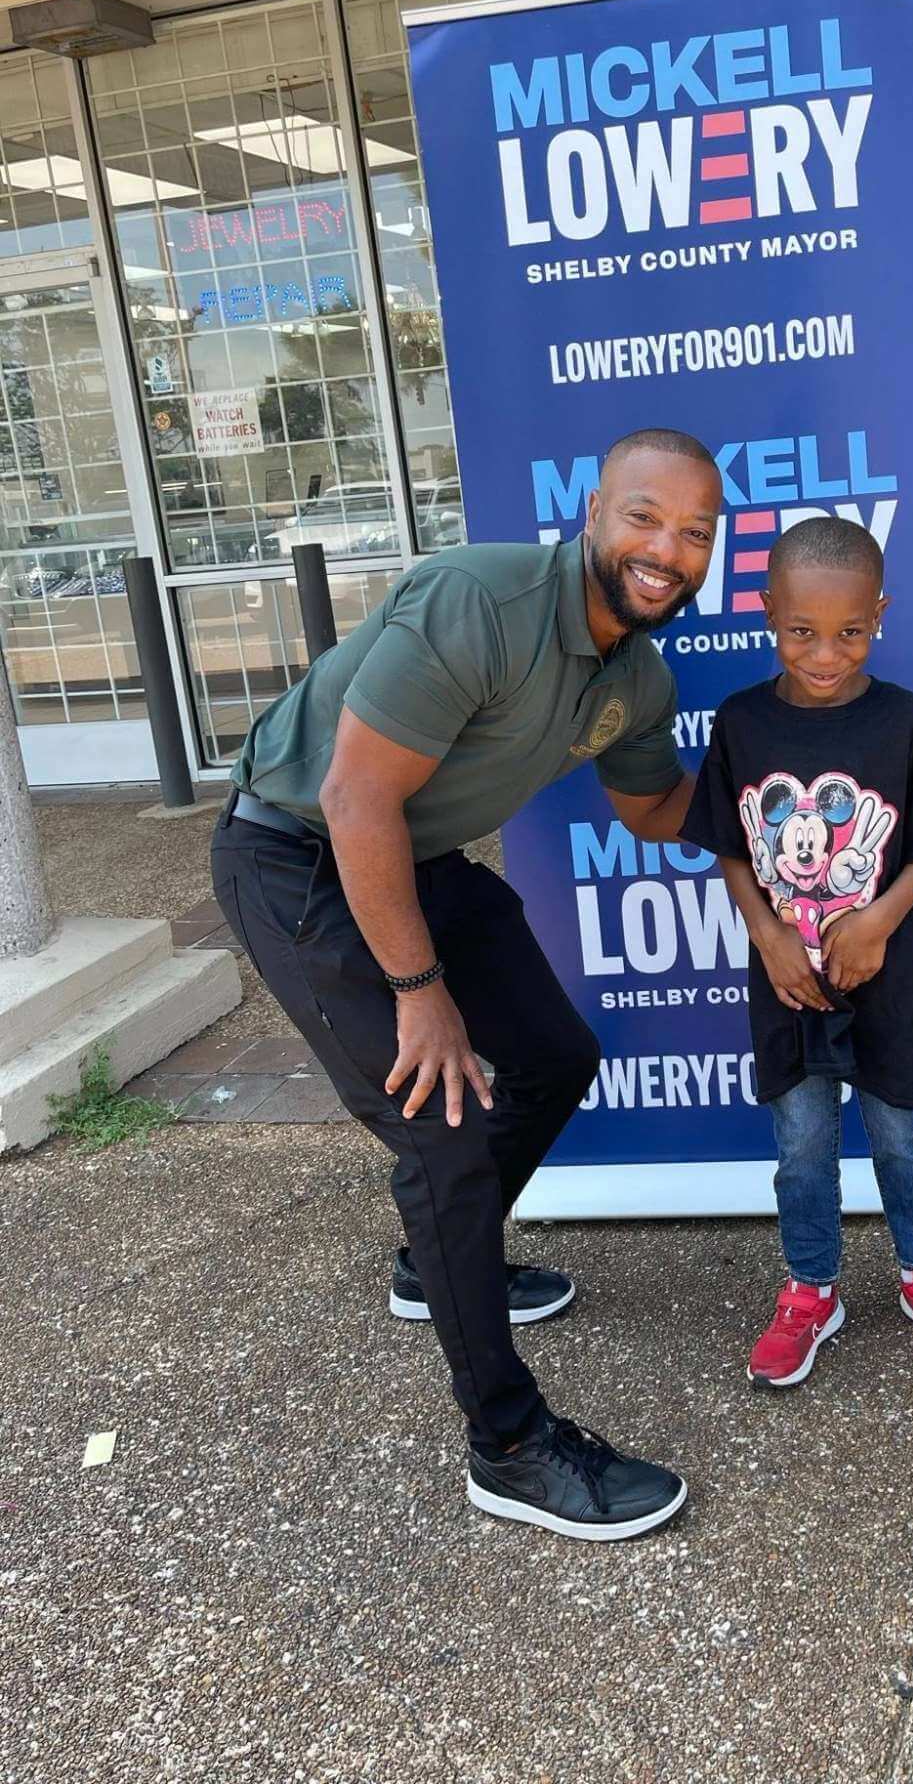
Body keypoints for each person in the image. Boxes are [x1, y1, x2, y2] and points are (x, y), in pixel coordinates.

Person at [210, 428, 723, 1541]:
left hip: (411, 855)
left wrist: (774, 812)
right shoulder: (478, 602)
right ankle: (509, 1447)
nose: (666, 550)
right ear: (594, 512)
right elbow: (353, 798)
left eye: (694, 532)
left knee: (556, 1055)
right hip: (296, 854)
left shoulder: (638, 676)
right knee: (441, 1130)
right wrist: (418, 987)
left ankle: (436, 1263)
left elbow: (654, 807)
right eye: (644, 516)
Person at [681, 517, 913, 1390]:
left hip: (884, 978)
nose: (826, 653)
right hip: (786, 982)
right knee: (802, 1144)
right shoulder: (742, 722)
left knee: (901, 1136)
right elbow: (731, 846)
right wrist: (768, 935)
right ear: (766, 611)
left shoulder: (904, 720)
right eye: (801, 631)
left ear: (879, 614)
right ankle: (811, 1288)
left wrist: (879, 920)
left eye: (850, 631)